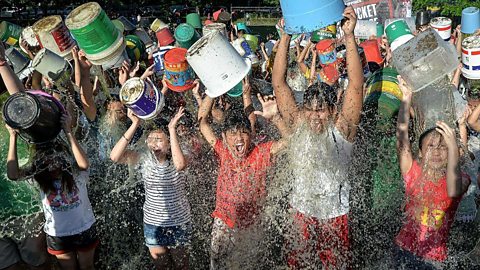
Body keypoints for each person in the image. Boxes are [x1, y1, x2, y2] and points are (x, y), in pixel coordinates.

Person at [272, 6, 363, 269]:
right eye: (310, 109)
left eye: (320, 110)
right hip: (301, 212)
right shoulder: (298, 123)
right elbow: (279, 84)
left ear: (332, 111)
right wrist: (286, 37)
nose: (314, 116)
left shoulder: (342, 130)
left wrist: (349, 36)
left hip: (335, 216)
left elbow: (356, 86)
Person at [197, 88, 289, 269]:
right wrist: (212, 90)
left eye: (243, 132)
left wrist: (276, 118)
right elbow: (203, 124)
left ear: (251, 135)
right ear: (223, 136)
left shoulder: (261, 152)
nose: (239, 138)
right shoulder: (222, 151)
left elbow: (291, 141)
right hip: (223, 222)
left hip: (251, 227)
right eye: (232, 133)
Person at [394, 75, 470, 268]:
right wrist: (406, 98)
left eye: (443, 147)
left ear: (452, 151)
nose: (436, 151)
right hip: (402, 249)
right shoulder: (413, 172)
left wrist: (455, 142)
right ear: (420, 152)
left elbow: (453, 190)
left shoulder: (459, 180)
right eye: (430, 146)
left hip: (433, 260)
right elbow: (402, 136)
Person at [6, 112, 97, 270]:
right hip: (58, 234)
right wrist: (12, 137)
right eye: (46, 162)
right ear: (40, 164)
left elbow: (84, 163)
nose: (52, 164)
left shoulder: (75, 174)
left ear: (63, 158)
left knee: (87, 267)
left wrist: (68, 131)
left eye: (56, 159)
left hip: (84, 228)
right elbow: (13, 174)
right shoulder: (39, 179)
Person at [110, 107, 191, 270]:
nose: (154, 143)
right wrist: (134, 124)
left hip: (179, 222)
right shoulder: (142, 158)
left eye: (159, 139)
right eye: (151, 139)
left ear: (169, 143)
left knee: (182, 266)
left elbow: (180, 165)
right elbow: (115, 156)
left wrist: (172, 130)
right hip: (153, 223)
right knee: (162, 266)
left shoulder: (181, 154)